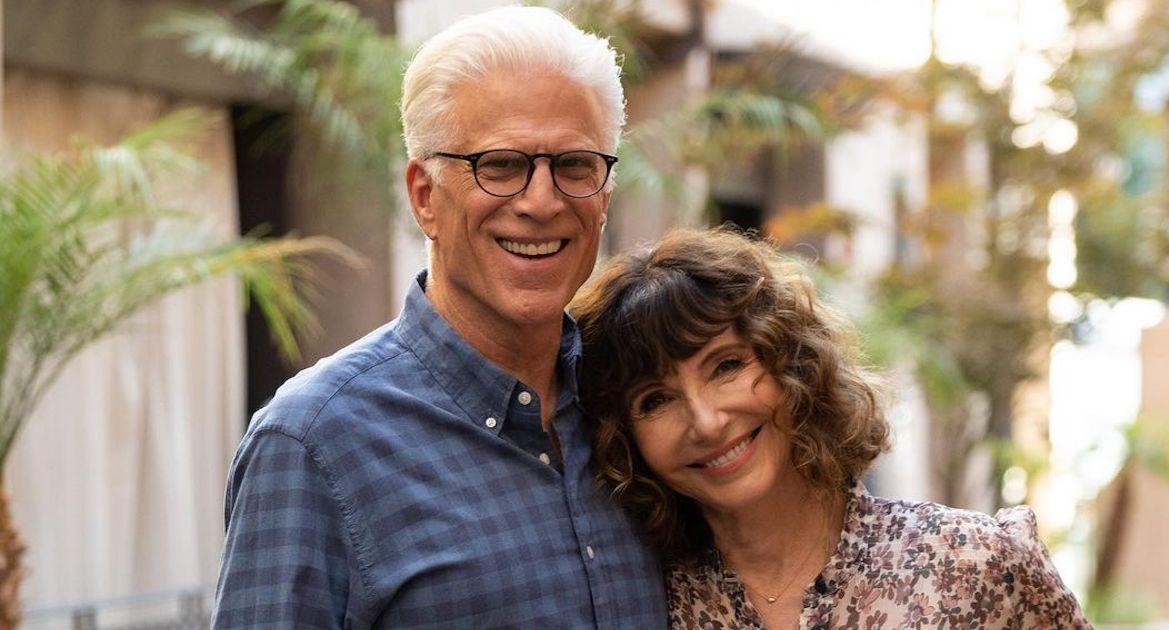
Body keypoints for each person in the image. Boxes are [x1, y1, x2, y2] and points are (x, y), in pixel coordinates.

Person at [212, 6, 667, 628]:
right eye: (500, 165)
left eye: (574, 165)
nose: (541, 201)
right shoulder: (315, 444)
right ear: (425, 196)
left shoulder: (643, 401)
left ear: (604, 196)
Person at [571, 228, 1092, 629]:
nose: (706, 421)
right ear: (624, 438)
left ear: (791, 361)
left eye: (727, 366)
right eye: (656, 400)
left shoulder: (970, 561)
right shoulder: (645, 604)